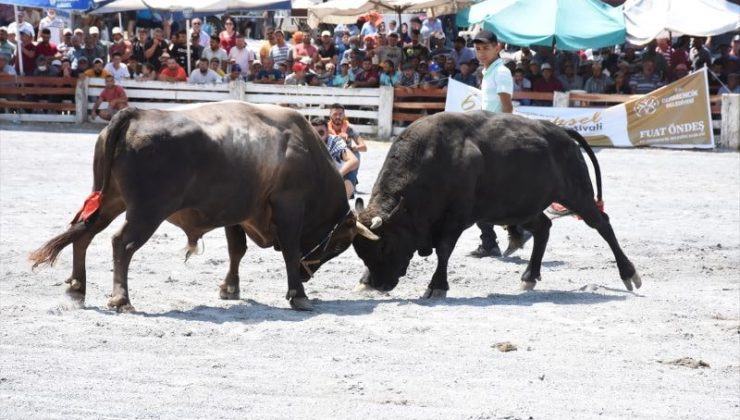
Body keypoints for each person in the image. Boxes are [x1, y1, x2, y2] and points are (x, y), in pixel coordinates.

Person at [470, 30, 529, 258]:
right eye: (478, 49)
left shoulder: (502, 72)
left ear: (498, 48)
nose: (481, 53)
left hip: (495, 137)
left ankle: (514, 230)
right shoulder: (487, 71)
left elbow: (507, 108)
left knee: (483, 190)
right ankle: (493, 240)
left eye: (486, 48)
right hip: (485, 134)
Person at [311, 117, 359, 199]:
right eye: (314, 133)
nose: (317, 137)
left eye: (321, 132)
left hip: (340, 178)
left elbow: (354, 161)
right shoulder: (308, 143)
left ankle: (343, 200)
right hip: (320, 180)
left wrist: (336, 176)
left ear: (327, 132)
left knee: (350, 174)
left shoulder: (335, 141)